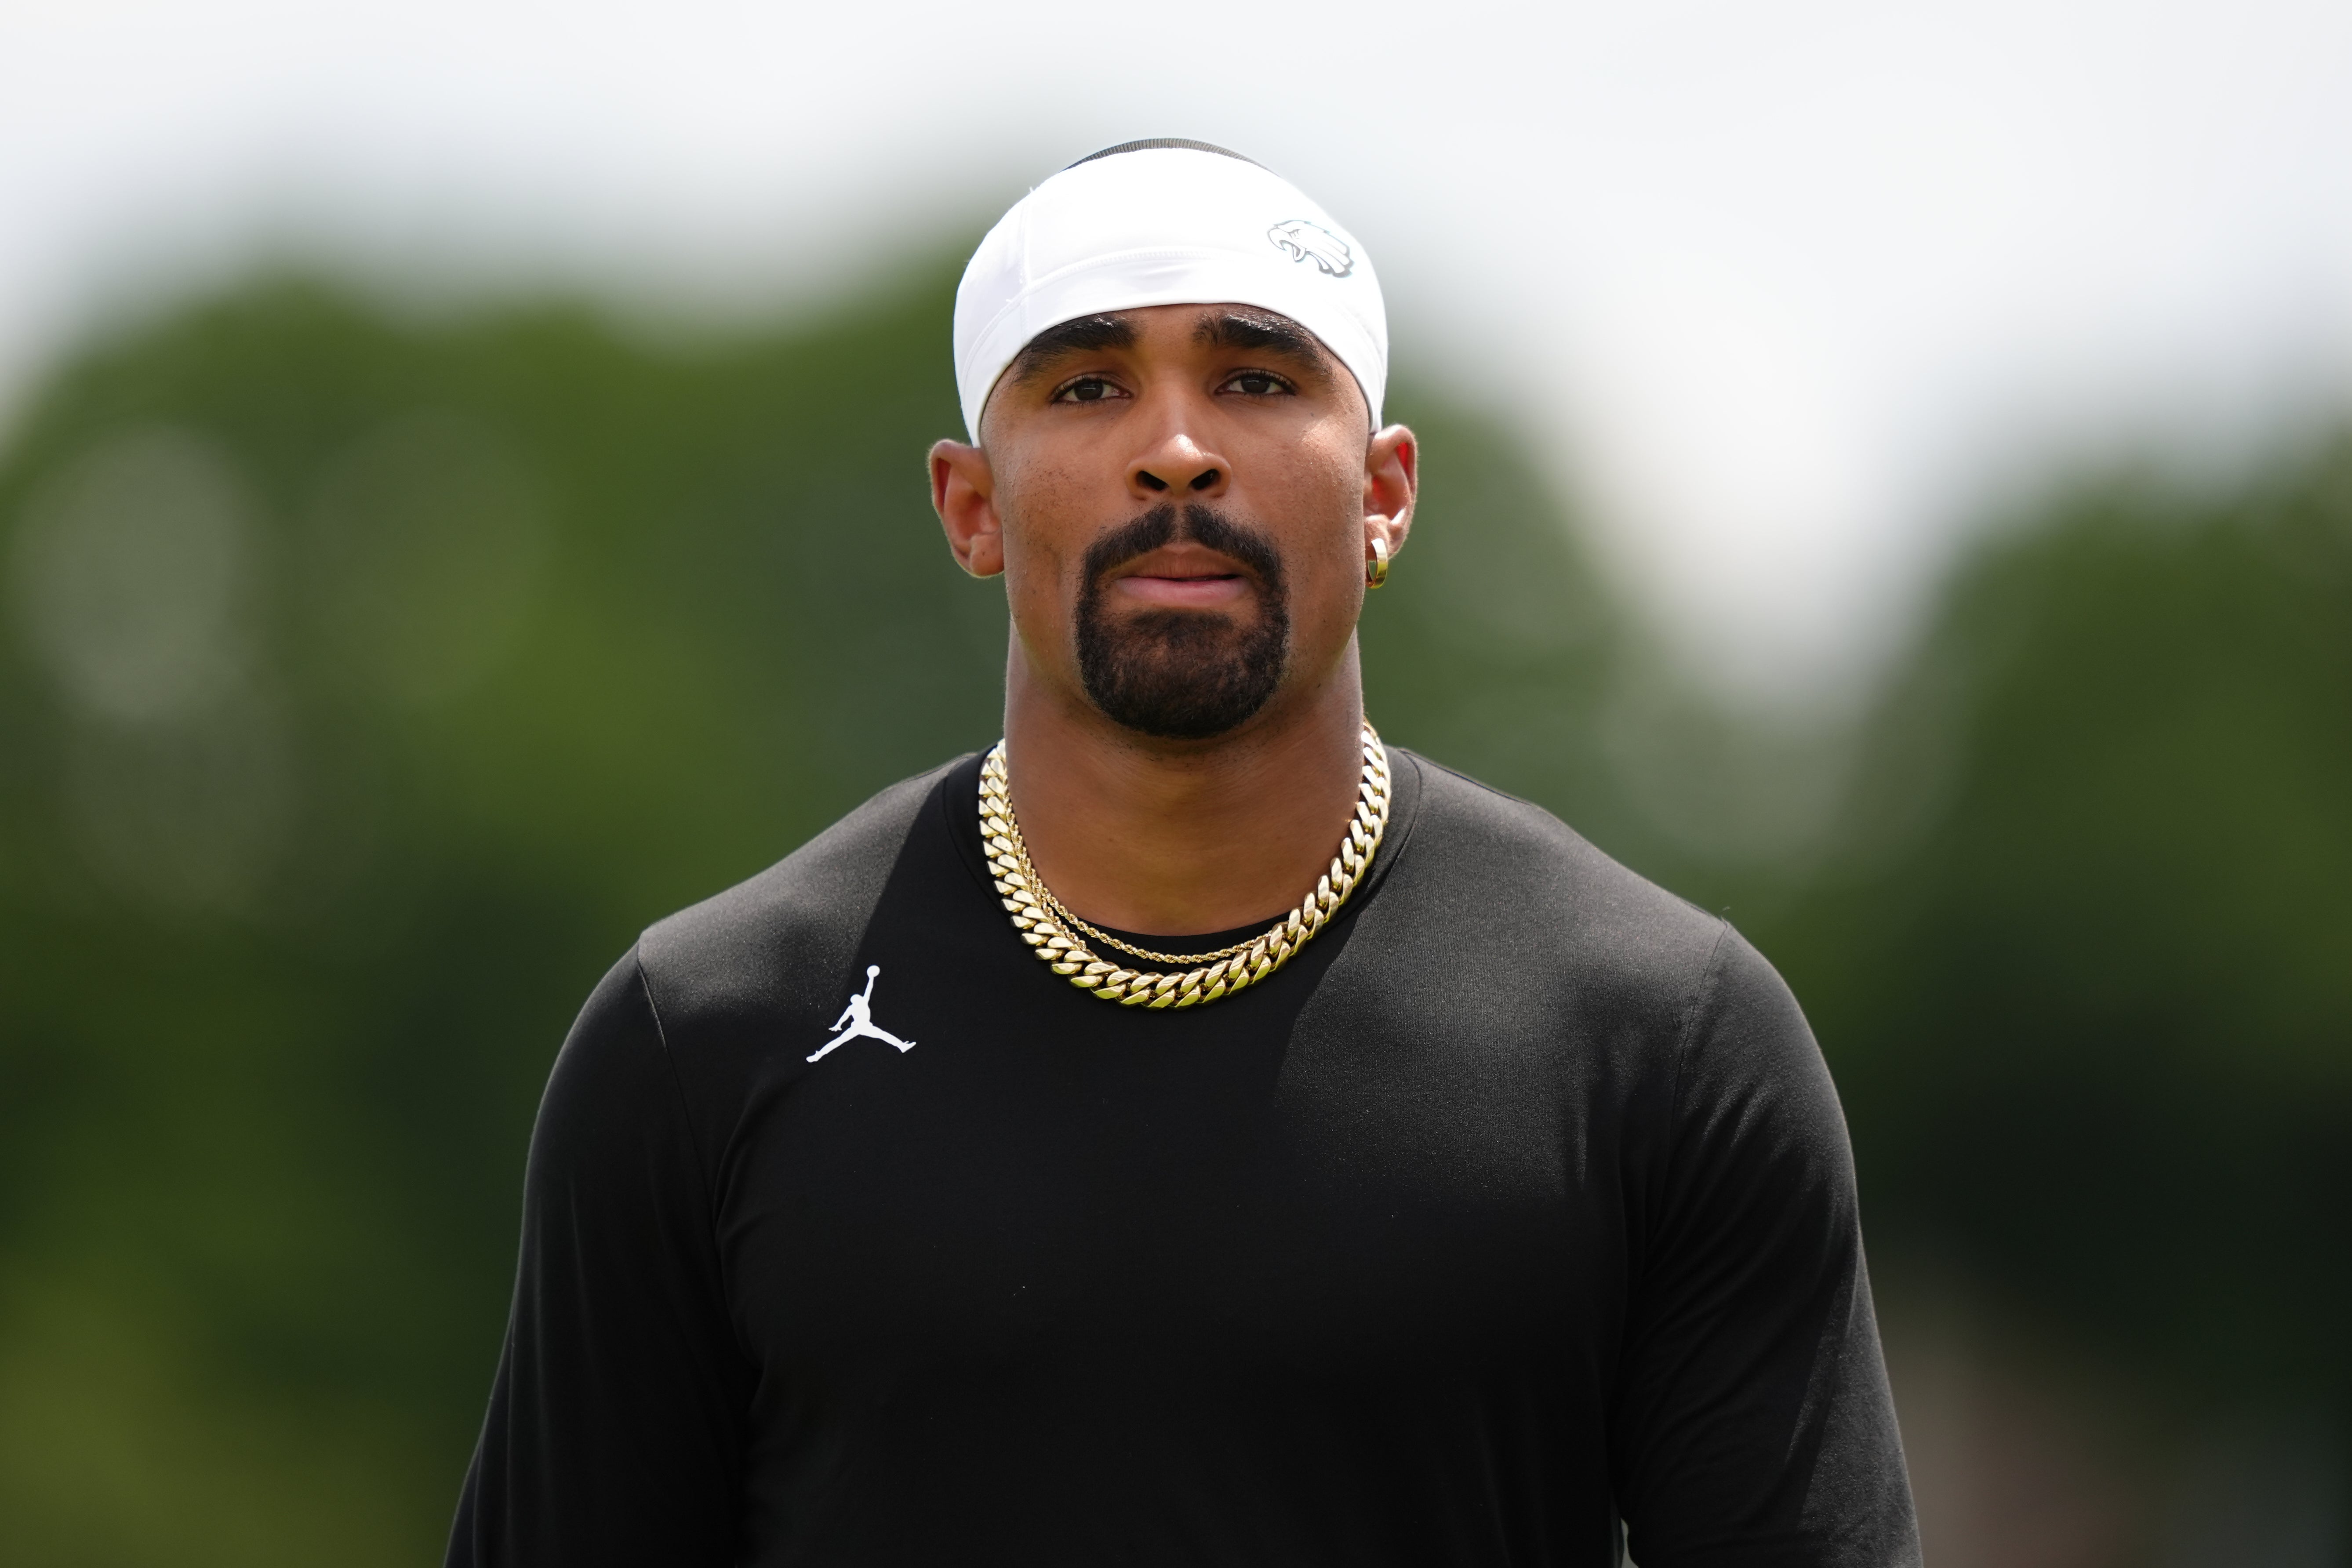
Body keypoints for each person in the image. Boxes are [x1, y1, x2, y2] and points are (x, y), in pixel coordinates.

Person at [447, 139, 1919, 1567]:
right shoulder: (704, 1036)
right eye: (1088, 386)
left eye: (1257, 380)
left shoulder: (1661, 1040)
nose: (1175, 451)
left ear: (1384, 493)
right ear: (972, 506)